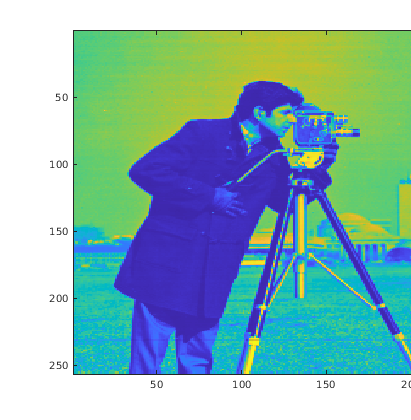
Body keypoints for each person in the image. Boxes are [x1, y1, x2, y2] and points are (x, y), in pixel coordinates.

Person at [114, 81, 333, 374]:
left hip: (216, 266)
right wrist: (209, 196)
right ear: (260, 112)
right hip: (167, 258)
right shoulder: (203, 133)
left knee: (198, 358)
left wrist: (319, 166)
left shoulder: (275, 155)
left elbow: (287, 204)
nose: (292, 121)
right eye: (285, 113)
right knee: (148, 358)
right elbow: (145, 170)